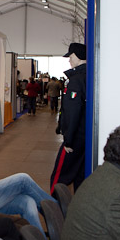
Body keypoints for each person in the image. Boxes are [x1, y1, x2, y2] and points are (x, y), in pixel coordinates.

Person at [50, 42, 87, 193]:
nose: (69, 60)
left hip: (75, 138)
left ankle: (54, 211)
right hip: (85, 137)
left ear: (78, 57)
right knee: (81, 177)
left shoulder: (76, 80)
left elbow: (72, 112)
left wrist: (68, 140)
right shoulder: (88, 77)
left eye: (71, 56)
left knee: (59, 179)